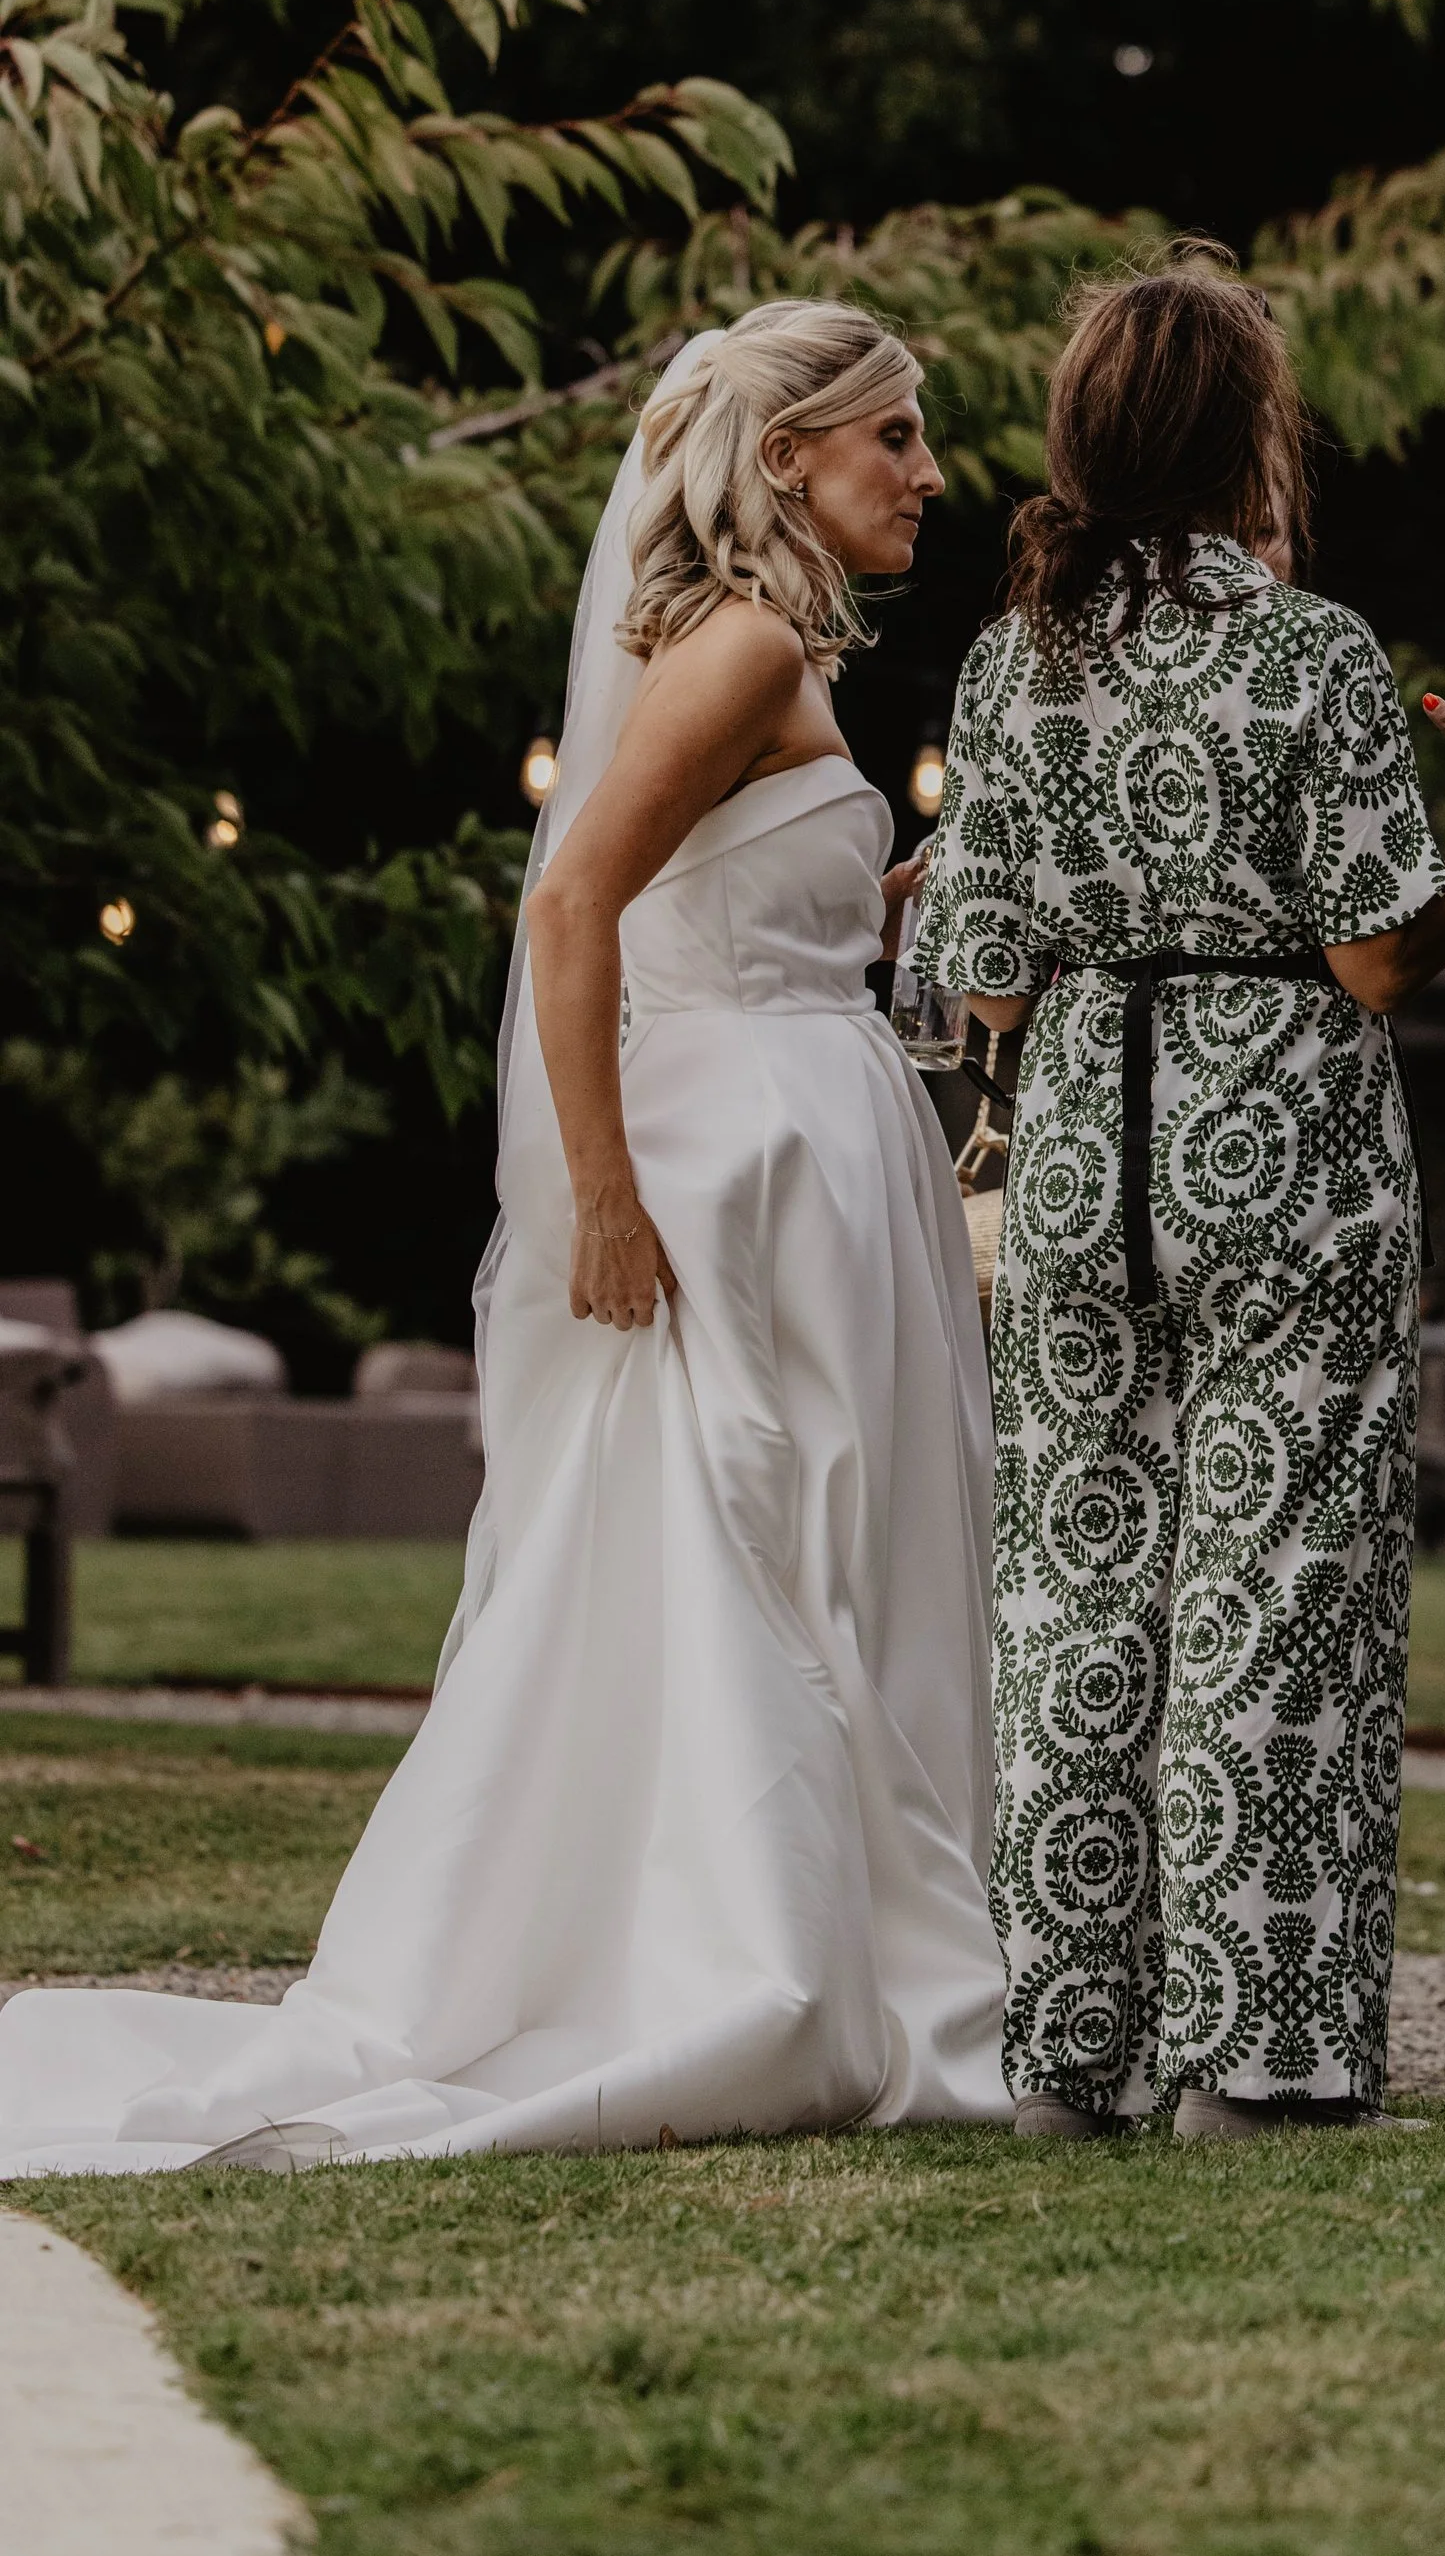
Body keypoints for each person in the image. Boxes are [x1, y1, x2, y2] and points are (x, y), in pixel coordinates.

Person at [0, 303, 1010, 2174]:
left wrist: (910, 885)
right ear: (787, 456)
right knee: (748, 1535)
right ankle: (773, 1951)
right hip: (737, 1166)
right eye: (896, 439)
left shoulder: (765, 657)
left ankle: (862, 1927)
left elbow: (742, 905)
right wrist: (605, 1194)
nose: (931, 476)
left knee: (810, 1537)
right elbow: (573, 912)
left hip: (807, 1134)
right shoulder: (742, 644)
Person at [914, 249, 1445, 2141]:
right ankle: (1257, 2069)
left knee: (1076, 1600)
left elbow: (988, 979)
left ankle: (1069, 2063)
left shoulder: (1016, 655)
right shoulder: (1313, 653)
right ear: (1245, 438)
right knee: (1276, 1593)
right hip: (1281, 1150)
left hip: (1083, 1158)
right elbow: (1379, 960)